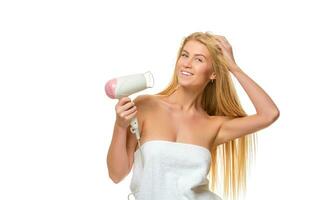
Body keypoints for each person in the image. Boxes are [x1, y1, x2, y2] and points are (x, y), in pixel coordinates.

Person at [106, 31, 280, 200]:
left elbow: (269, 114)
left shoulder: (214, 126)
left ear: (213, 73)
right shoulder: (146, 106)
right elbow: (116, 174)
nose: (187, 64)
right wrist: (120, 126)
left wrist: (233, 67)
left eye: (199, 59)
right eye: (184, 55)